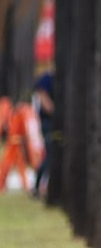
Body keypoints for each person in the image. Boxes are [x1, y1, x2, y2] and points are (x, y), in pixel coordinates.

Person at [31, 67, 53, 198]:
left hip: (53, 122)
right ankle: (37, 186)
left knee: (52, 155)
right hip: (48, 123)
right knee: (49, 154)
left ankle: (44, 186)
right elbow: (43, 98)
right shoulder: (47, 78)